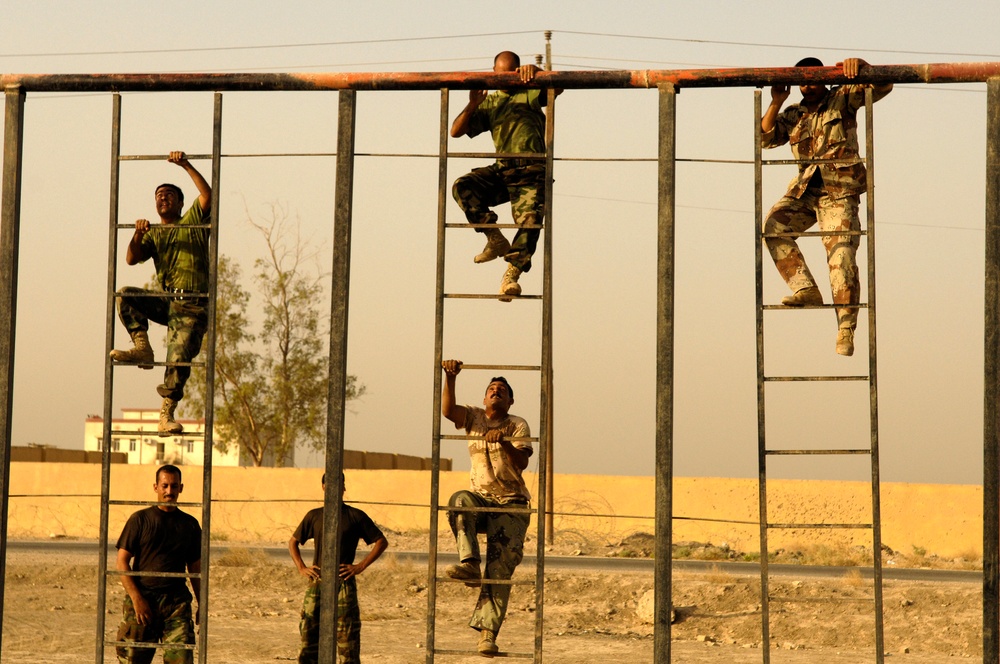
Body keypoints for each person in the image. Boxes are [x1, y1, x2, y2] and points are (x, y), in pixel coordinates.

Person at [761, 57, 892, 356]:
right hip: (806, 191)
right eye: (802, 80)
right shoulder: (794, 114)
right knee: (773, 227)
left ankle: (845, 328)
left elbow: (883, 84)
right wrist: (776, 101)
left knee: (841, 257)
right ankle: (806, 289)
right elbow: (764, 138)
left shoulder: (842, 98)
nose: (807, 85)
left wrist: (861, 66)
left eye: (813, 78)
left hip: (840, 191)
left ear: (823, 79)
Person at [110, 150, 212, 433]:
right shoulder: (154, 232)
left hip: (192, 305)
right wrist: (138, 234)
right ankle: (142, 347)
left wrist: (186, 166)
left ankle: (166, 413)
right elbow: (131, 259)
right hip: (169, 302)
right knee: (126, 295)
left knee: (178, 357)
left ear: (180, 202)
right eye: (158, 196)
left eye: (168, 195)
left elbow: (207, 196)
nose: (162, 198)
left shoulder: (192, 221)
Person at [450, 51, 560, 302]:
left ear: (518, 71)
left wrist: (539, 74)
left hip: (532, 171)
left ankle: (512, 274)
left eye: (510, 73)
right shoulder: (490, 102)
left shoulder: (530, 91)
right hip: (504, 170)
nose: (504, 79)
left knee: (530, 220)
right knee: (463, 186)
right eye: (500, 75)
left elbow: (559, 86)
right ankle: (494, 237)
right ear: (493, 73)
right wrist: (472, 104)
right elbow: (455, 132)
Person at [440, 359, 533, 657]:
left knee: (500, 569)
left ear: (510, 400)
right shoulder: (474, 417)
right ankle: (469, 562)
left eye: (502, 390)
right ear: (484, 398)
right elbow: (447, 412)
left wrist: (504, 441)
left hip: (511, 504)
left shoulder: (517, 424)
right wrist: (450, 378)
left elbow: (521, 463)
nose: (496, 392)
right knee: (458, 501)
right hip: (482, 499)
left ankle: (487, 635)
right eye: (492, 389)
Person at [288, 473, 388, 664]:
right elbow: (293, 542)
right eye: (330, 484)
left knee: (347, 639)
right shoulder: (314, 515)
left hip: (343, 583)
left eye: (339, 484)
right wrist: (302, 568)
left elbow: (381, 541)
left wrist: (359, 567)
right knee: (309, 633)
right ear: (323, 487)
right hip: (317, 582)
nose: (334, 488)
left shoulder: (355, 516)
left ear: (344, 488)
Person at [115, 464, 202, 664]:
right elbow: (121, 562)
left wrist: (201, 603)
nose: (169, 491)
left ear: (181, 488)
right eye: (164, 486)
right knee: (132, 660)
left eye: (174, 486)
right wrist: (137, 599)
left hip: (176, 604)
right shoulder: (140, 520)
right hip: (143, 600)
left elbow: (195, 568)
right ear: (156, 487)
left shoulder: (189, 525)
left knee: (181, 659)